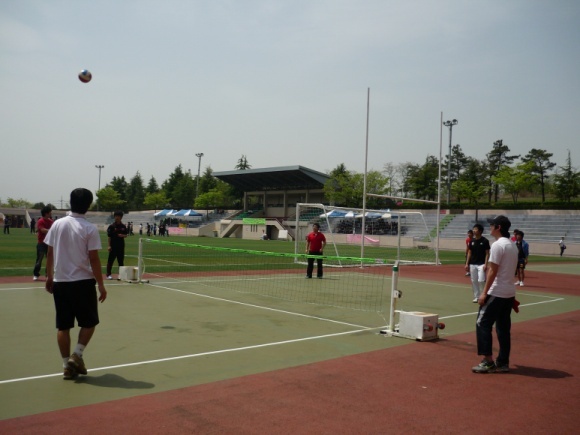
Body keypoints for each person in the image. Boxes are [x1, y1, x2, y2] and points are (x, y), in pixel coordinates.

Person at [44, 188, 107, 380]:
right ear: (88, 205)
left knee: (63, 326)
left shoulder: (57, 224)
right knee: (90, 322)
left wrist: (49, 276)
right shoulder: (89, 228)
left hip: (61, 282)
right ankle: (77, 355)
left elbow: (50, 253)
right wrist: (101, 285)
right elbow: (94, 259)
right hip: (82, 283)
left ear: (71, 202)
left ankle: (66, 366)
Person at [472, 215, 518, 374]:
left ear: (498, 227)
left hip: (497, 292)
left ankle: (488, 361)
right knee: (503, 328)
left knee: (482, 323)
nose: (490, 227)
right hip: (508, 292)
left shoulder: (498, 245)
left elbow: (493, 271)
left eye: (492, 225)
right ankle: (503, 362)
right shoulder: (512, 245)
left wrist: (484, 293)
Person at [465, 224, 490, 303]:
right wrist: (467, 263)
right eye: (473, 229)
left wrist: (486, 264)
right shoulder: (471, 241)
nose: (474, 230)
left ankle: (484, 295)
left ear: (480, 231)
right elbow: (469, 252)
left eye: (475, 229)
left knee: (481, 280)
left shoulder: (485, 241)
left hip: (481, 264)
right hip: (473, 264)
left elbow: (487, 253)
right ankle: (477, 296)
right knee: (474, 281)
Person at [106, 210, 128, 280]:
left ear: (121, 217)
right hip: (113, 246)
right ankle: (108, 274)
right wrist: (109, 246)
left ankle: (121, 275)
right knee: (110, 261)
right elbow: (109, 237)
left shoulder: (123, 226)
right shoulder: (111, 226)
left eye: (118, 216)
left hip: (121, 246)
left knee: (120, 261)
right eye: (116, 216)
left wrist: (122, 235)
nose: (117, 217)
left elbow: (126, 235)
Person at [33, 205, 54, 281]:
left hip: (49, 243)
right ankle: (36, 274)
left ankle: (48, 274)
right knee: (39, 259)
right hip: (41, 243)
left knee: (50, 259)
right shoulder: (40, 221)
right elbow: (43, 230)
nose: (51, 213)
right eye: (50, 212)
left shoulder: (51, 221)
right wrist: (51, 230)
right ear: (46, 213)